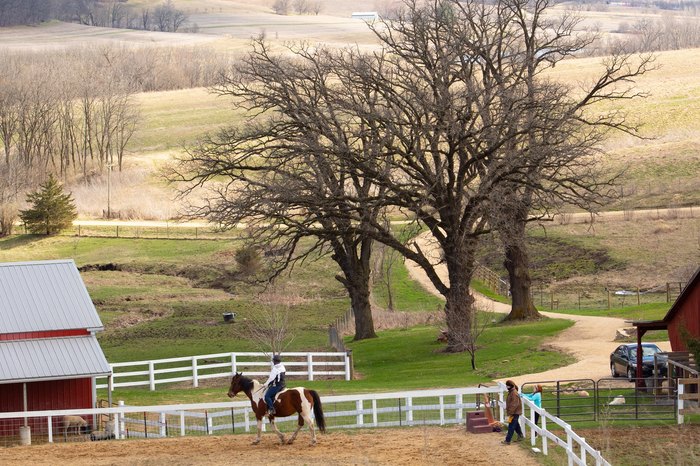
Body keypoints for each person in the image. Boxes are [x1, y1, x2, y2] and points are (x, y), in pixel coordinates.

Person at [501, 379, 523, 445]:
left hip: (514, 412)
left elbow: (514, 404)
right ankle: (520, 435)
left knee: (511, 426)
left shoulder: (513, 393)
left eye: (507, 386)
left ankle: (508, 440)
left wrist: (510, 413)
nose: (506, 387)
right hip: (514, 412)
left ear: (509, 386)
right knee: (515, 425)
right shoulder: (512, 392)